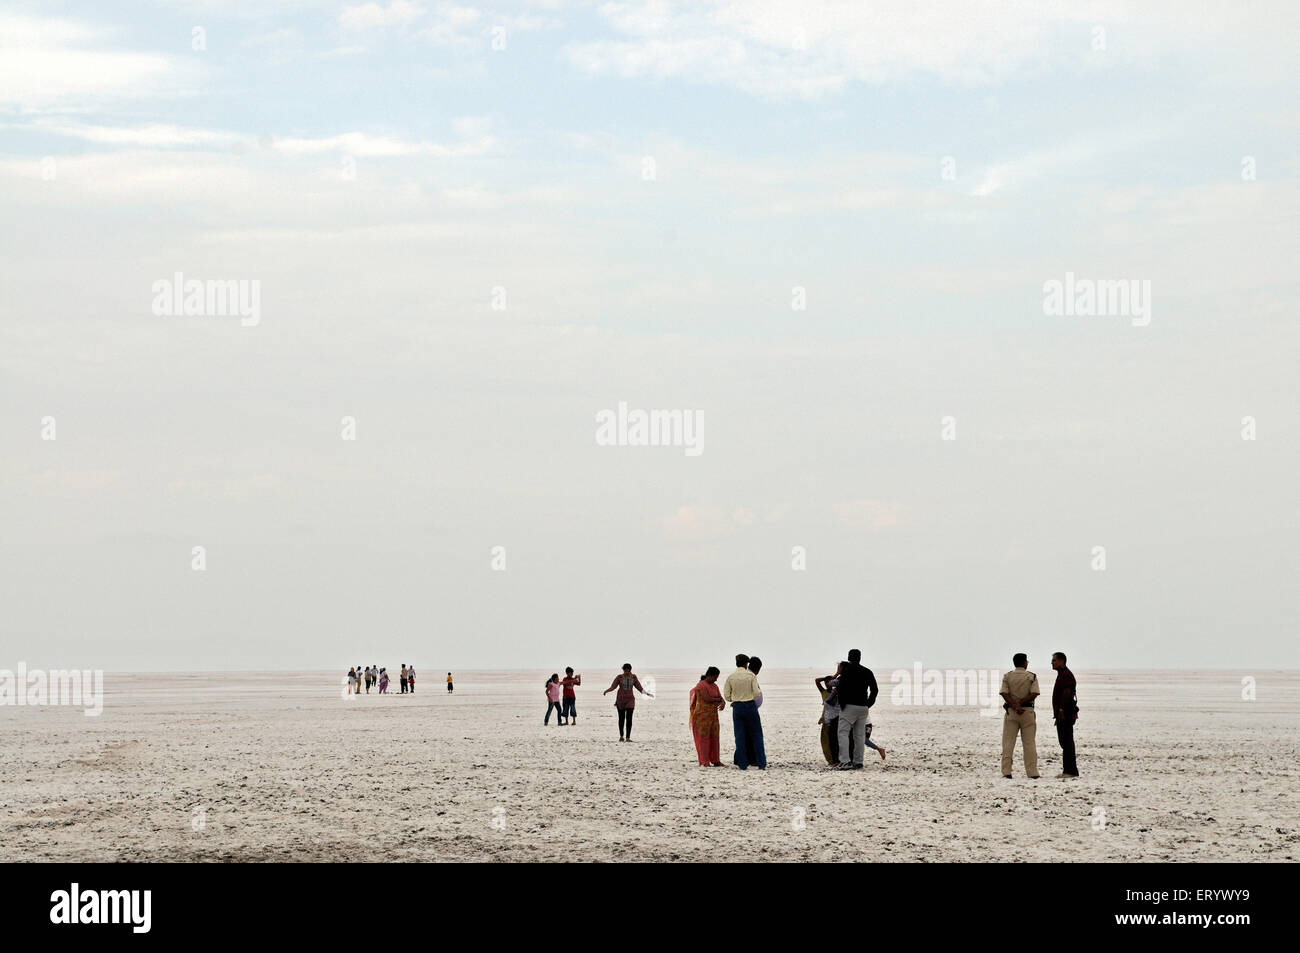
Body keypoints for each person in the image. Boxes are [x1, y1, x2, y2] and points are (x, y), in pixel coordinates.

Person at [835, 649, 880, 770]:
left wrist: (842, 702)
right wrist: (868, 704)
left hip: (849, 706)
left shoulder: (846, 671)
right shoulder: (867, 671)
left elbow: (840, 687)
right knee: (859, 735)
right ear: (860, 658)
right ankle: (858, 761)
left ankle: (845, 761)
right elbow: (874, 690)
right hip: (863, 707)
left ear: (849, 657)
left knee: (843, 733)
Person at [1000, 653, 1040, 779]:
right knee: (1029, 743)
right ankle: (1032, 772)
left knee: (1008, 743)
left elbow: (1004, 693)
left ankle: (1006, 771)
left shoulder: (1008, 676)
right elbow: (1034, 693)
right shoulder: (1031, 676)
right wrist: (1021, 703)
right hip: (1027, 711)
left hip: (1011, 712)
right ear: (1024, 662)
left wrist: (1014, 705)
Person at [722, 654, 766, 769]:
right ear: (746, 664)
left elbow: (727, 695)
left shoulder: (731, 677)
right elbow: (757, 693)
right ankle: (761, 763)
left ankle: (742, 764)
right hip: (750, 706)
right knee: (757, 735)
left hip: (738, 708)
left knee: (740, 736)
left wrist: (735, 699)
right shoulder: (751, 676)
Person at [603, 664, 651, 741]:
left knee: (629, 719)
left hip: (630, 700)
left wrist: (646, 693)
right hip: (620, 700)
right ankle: (621, 736)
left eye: (627, 670)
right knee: (621, 718)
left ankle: (628, 737)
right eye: (624, 670)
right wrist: (606, 691)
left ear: (630, 670)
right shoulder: (619, 677)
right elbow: (613, 686)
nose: (626, 672)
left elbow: (639, 687)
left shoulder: (634, 677)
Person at [689, 667, 726, 766]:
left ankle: (716, 760)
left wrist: (723, 702)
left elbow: (720, 698)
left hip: (713, 716)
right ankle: (704, 761)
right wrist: (718, 700)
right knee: (703, 739)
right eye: (715, 677)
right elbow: (707, 698)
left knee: (714, 737)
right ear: (709, 675)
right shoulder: (701, 685)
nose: (716, 679)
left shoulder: (715, 686)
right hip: (702, 716)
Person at [1051, 651, 1079, 779]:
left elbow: (1067, 693)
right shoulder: (1062, 674)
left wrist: (1061, 710)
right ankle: (1068, 770)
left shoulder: (1066, 675)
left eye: (1054, 660)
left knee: (1067, 742)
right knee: (1065, 742)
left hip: (1066, 714)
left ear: (1062, 661)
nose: (1052, 662)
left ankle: (1070, 771)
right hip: (1062, 714)